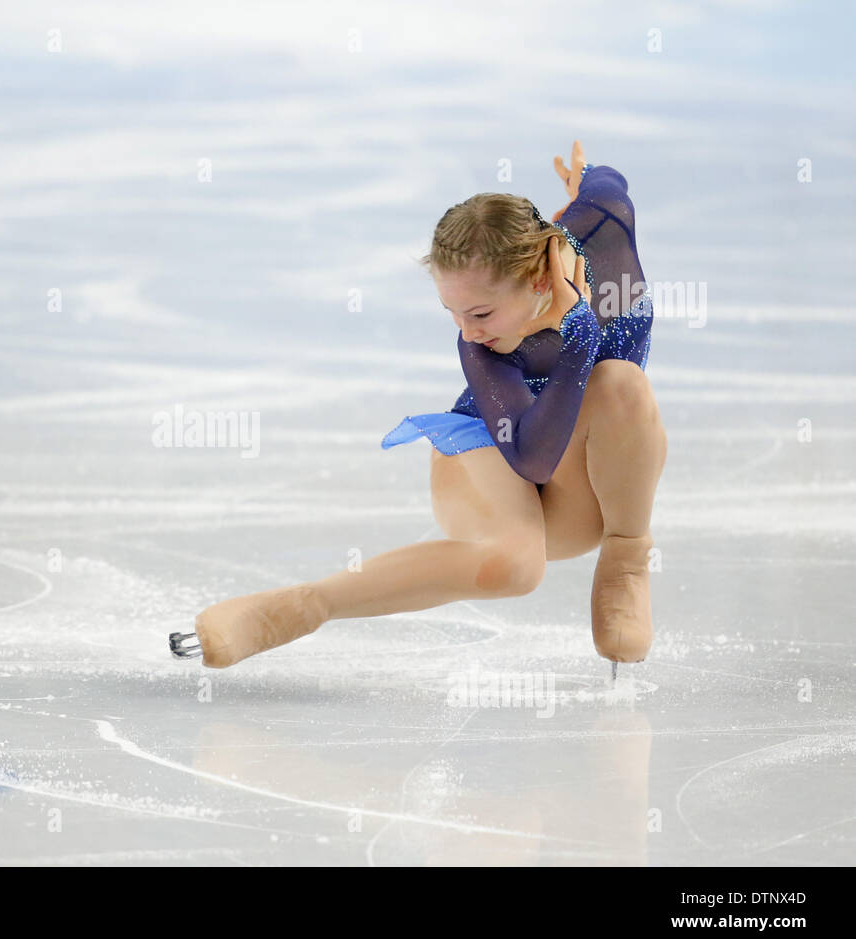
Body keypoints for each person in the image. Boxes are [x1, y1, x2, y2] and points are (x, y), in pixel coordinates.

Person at [170, 141, 666, 670]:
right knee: (514, 566)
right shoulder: (480, 346)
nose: (467, 332)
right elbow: (532, 458)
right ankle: (300, 606)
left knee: (622, 384)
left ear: (540, 279)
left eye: (480, 312)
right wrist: (580, 337)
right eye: (451, 312)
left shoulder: (604, 241)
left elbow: (608, 184)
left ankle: (626, 561)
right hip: (492, 453)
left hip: (582, 497)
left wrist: (586, 178)